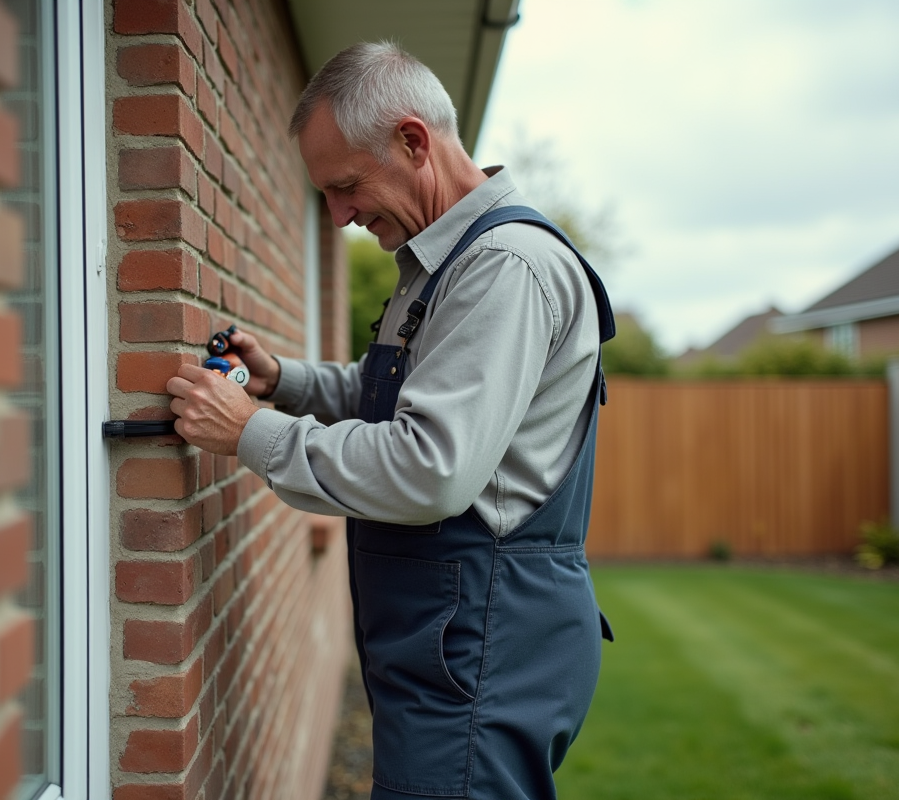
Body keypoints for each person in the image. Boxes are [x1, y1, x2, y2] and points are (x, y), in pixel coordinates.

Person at [166, 41, 615, 800]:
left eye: (345, 187)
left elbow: (427, 466)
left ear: (413, 141)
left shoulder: (503, 268)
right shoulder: (448, 260)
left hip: (482, 646)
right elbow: (399, 396)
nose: (340, 216)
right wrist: (282, 381)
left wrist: (247, 431)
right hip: (454, 643)